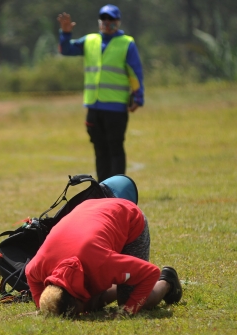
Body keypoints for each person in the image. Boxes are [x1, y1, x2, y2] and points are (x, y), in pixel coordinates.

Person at [25, 195, 182, 317]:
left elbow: (150, 272)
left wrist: (127, 312)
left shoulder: (100, 263)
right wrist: (41, 306)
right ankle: (122, 282)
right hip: (90, 209)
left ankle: (168, 282)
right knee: (96, 296)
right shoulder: (40, 267)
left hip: (128, 217)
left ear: (78, 300)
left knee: (127, 298)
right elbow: (29, 272)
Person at [57, 5, 145, 182]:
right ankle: (103, 190)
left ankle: (117, 190)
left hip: (116, 108)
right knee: (100, 150)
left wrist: (138, 97)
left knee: (115, 149)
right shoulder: (90, 40)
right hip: (94, 106)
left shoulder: (127, 43)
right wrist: (65, 33)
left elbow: (135, 72)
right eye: (104, 19)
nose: (106, 23)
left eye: (111, 19)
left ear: (118, 22)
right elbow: (66, 50)